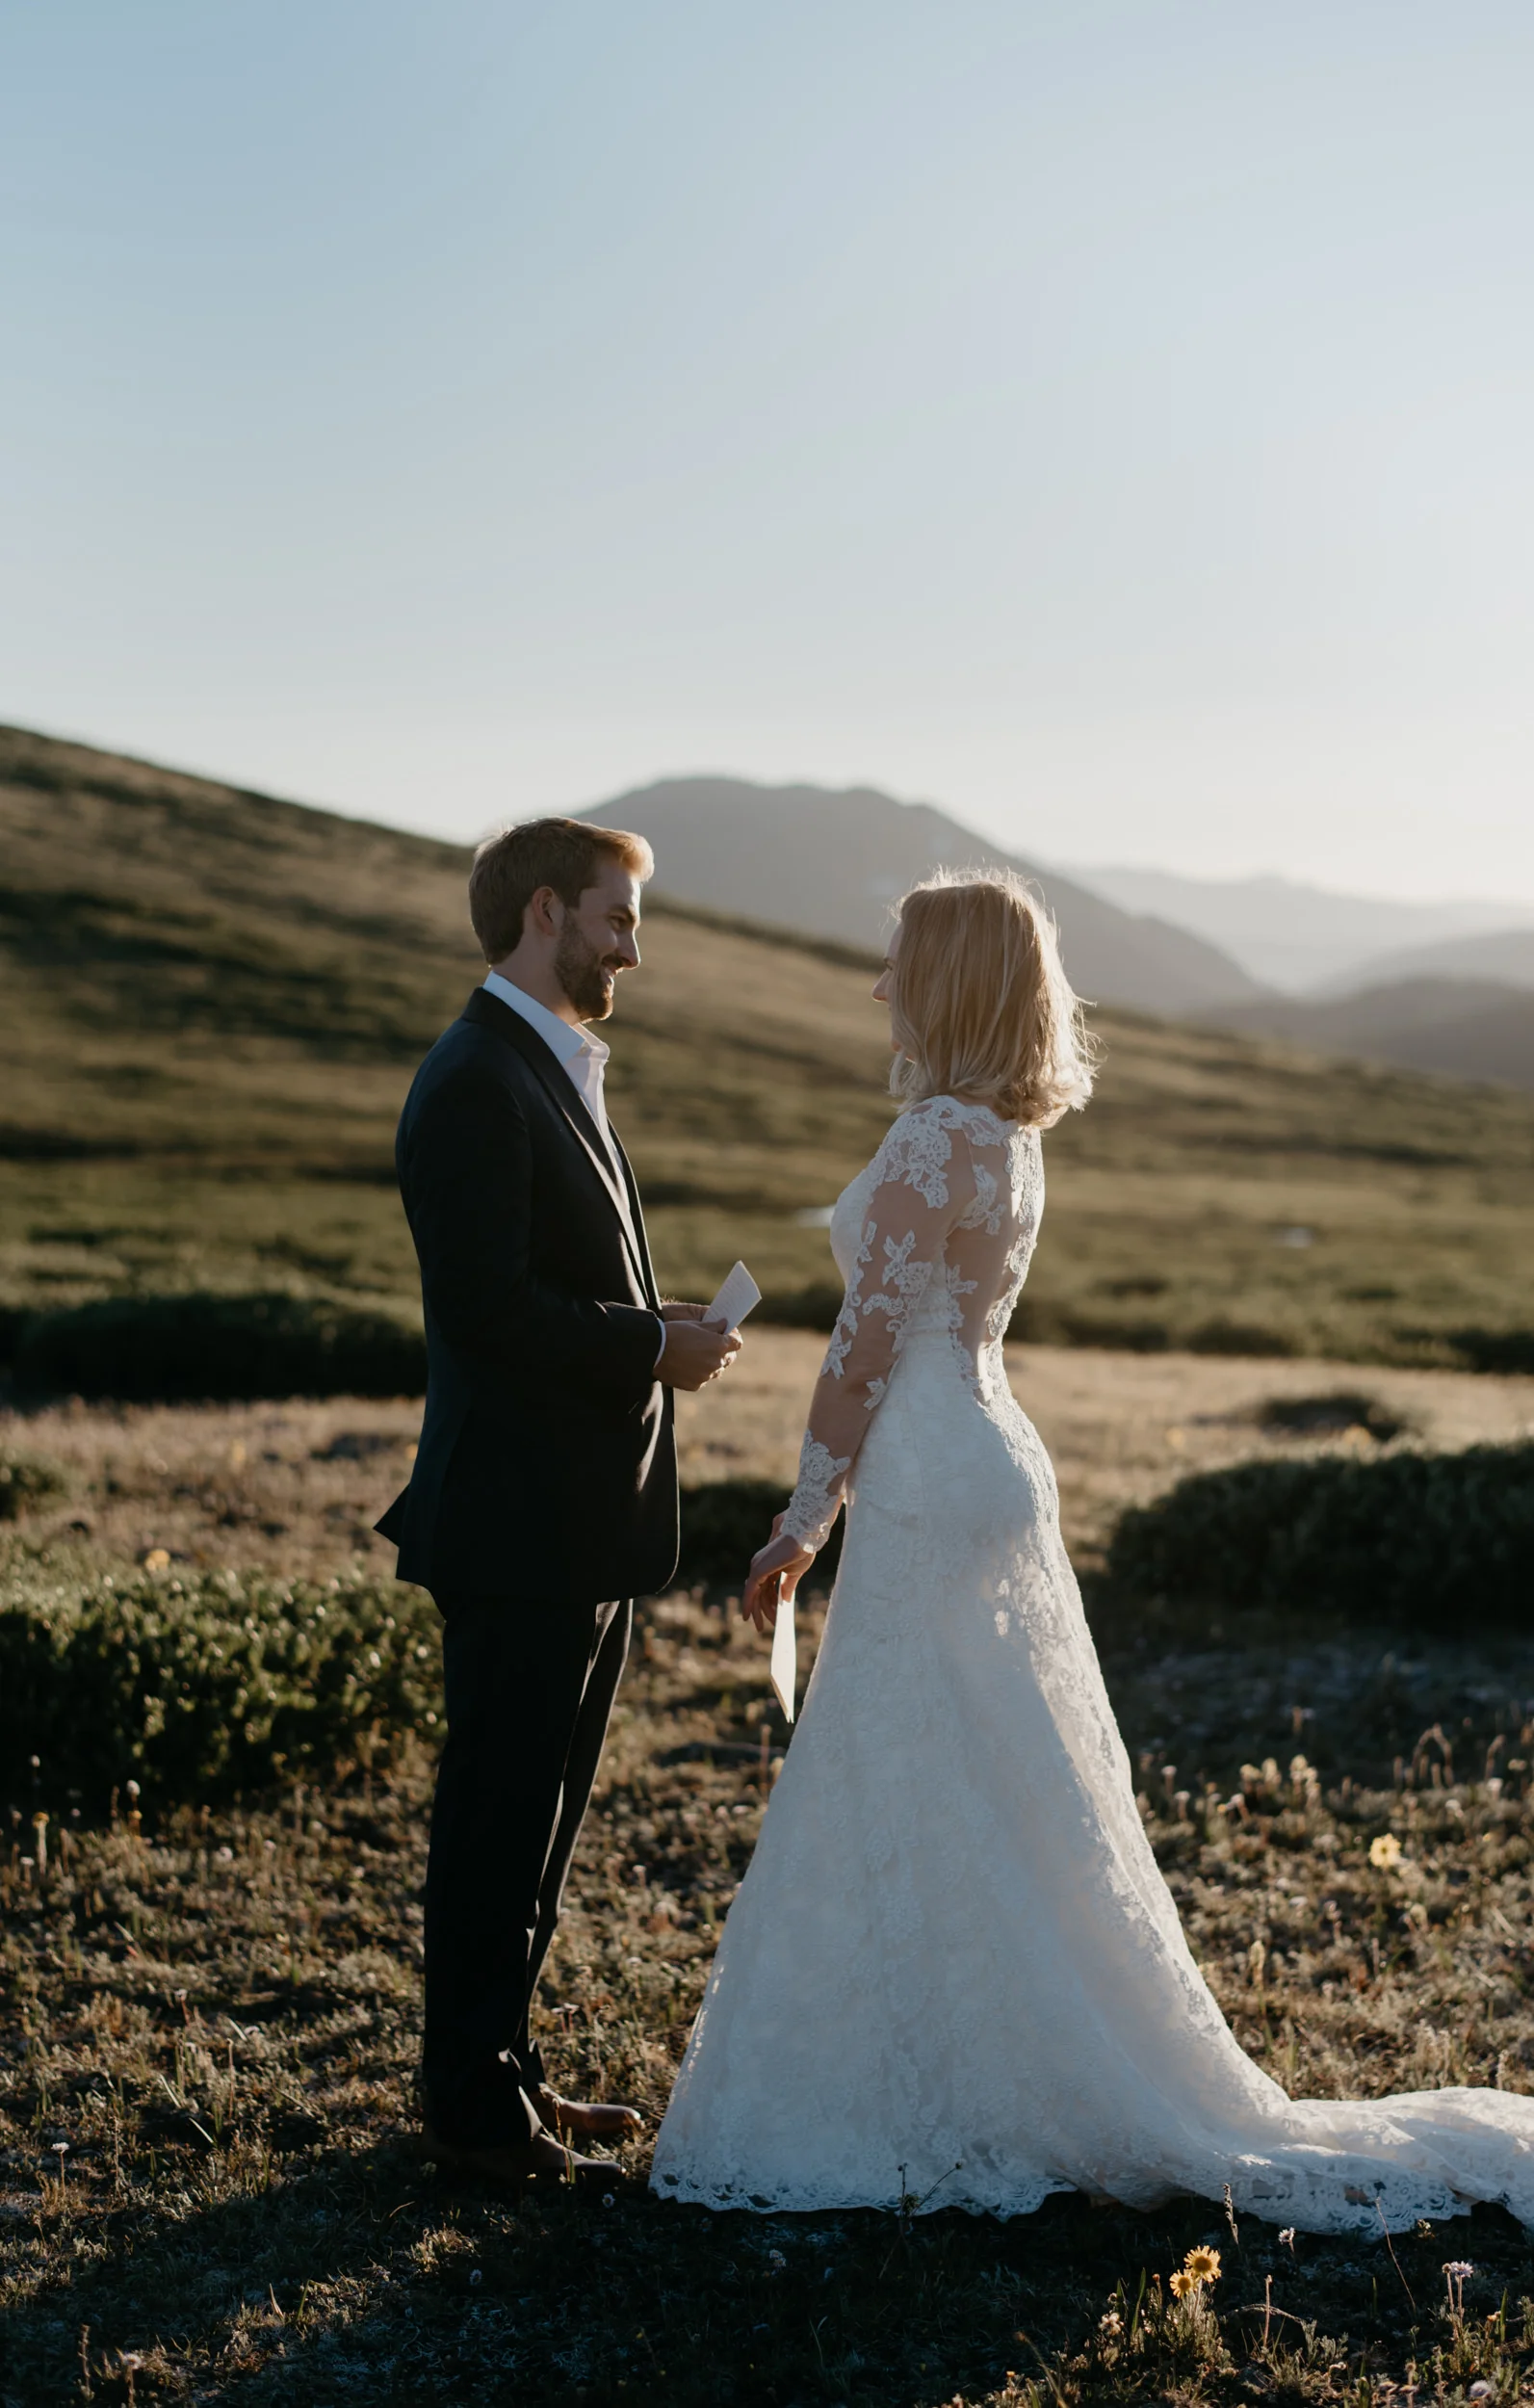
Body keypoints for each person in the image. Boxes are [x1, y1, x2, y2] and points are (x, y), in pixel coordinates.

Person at [650, 867, 1534, 2233]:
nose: (877, 985)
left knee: (909, 1756)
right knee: (1001, 1767)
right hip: (995, 1449)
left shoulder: (933, 1141)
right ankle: (1003, 2047)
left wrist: (801, 1516)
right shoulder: (1010, 1137)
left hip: (931, 1474)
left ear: (944, 983)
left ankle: (923, 2081)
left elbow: (862, 1353)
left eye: (897, 963)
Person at [377, 817, 741, 2189]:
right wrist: (649, 1347)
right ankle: (472, 2115)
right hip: (517, 1520)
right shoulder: (477, 1077)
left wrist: (655, 1319)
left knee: (542, 1821)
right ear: (547, 913)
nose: (634, 947)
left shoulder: (550, 1066)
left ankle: (505, 2078)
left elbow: (552, 1283)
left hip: (578, 1518)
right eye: (618, 917)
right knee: (496, 1821)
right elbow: (486, 1312)